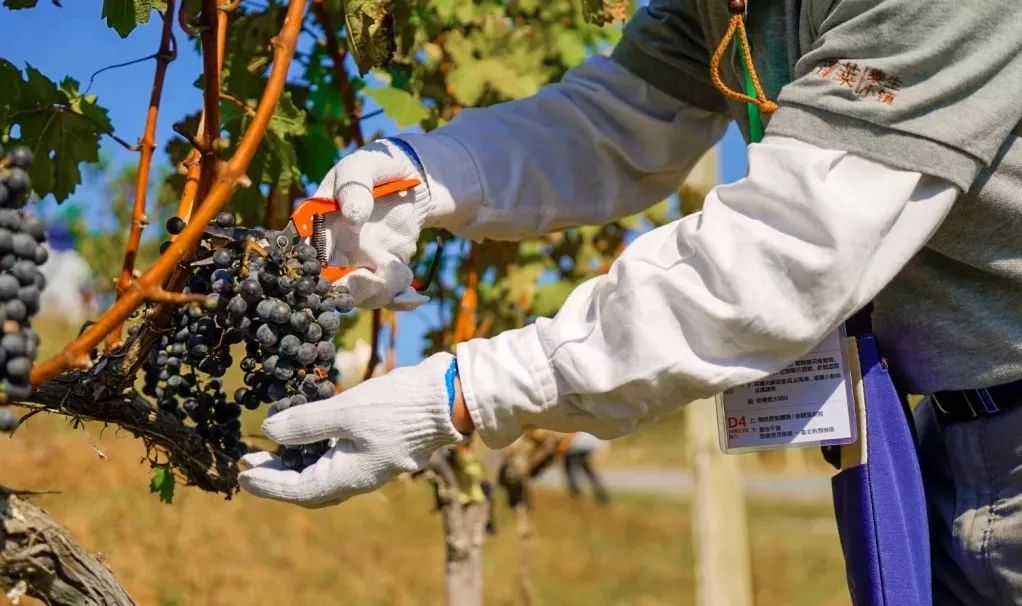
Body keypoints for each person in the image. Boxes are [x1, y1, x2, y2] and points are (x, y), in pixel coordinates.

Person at [239, 1, 1022, 603]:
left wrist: (466, 392)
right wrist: (423, 171)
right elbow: (614, 123)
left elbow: (777, 255)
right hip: (948, 437)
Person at [560, 433, 610, 504]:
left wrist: (563, 445)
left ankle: (576, 495)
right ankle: (601, 495)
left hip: (574, 446)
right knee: (588, 471)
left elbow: (572, 432)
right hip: (586, 446)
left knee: (570, 472)